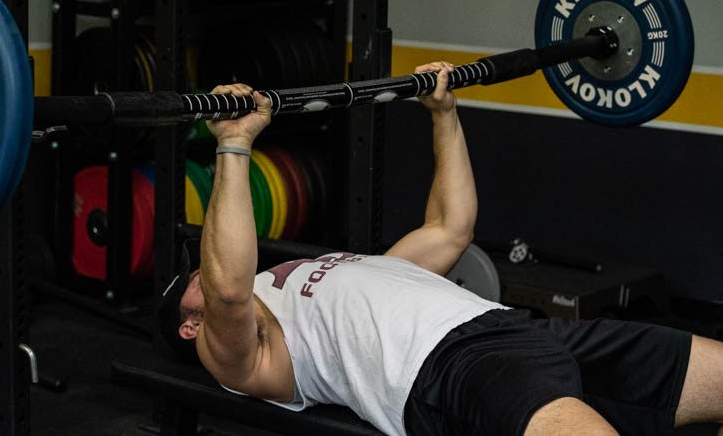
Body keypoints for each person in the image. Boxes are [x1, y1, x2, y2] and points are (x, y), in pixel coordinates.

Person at [158, 62, 723, 436]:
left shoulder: (343, 275)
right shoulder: (238, 352)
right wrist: (234, 144)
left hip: (523, 331)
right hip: (448, 369)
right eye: (194, 276)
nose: (204, 269)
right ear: (190, 326)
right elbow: (229, 288)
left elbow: (451, 229)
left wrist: (443, 113)